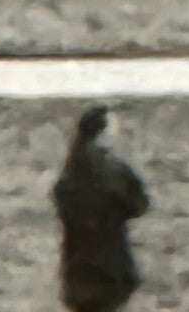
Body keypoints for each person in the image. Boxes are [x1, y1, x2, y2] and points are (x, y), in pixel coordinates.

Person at [53, 105, 151, 312]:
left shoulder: (70, 172)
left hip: (77, 266)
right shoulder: (115, 171)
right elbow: (140, 204)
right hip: (111, 264)